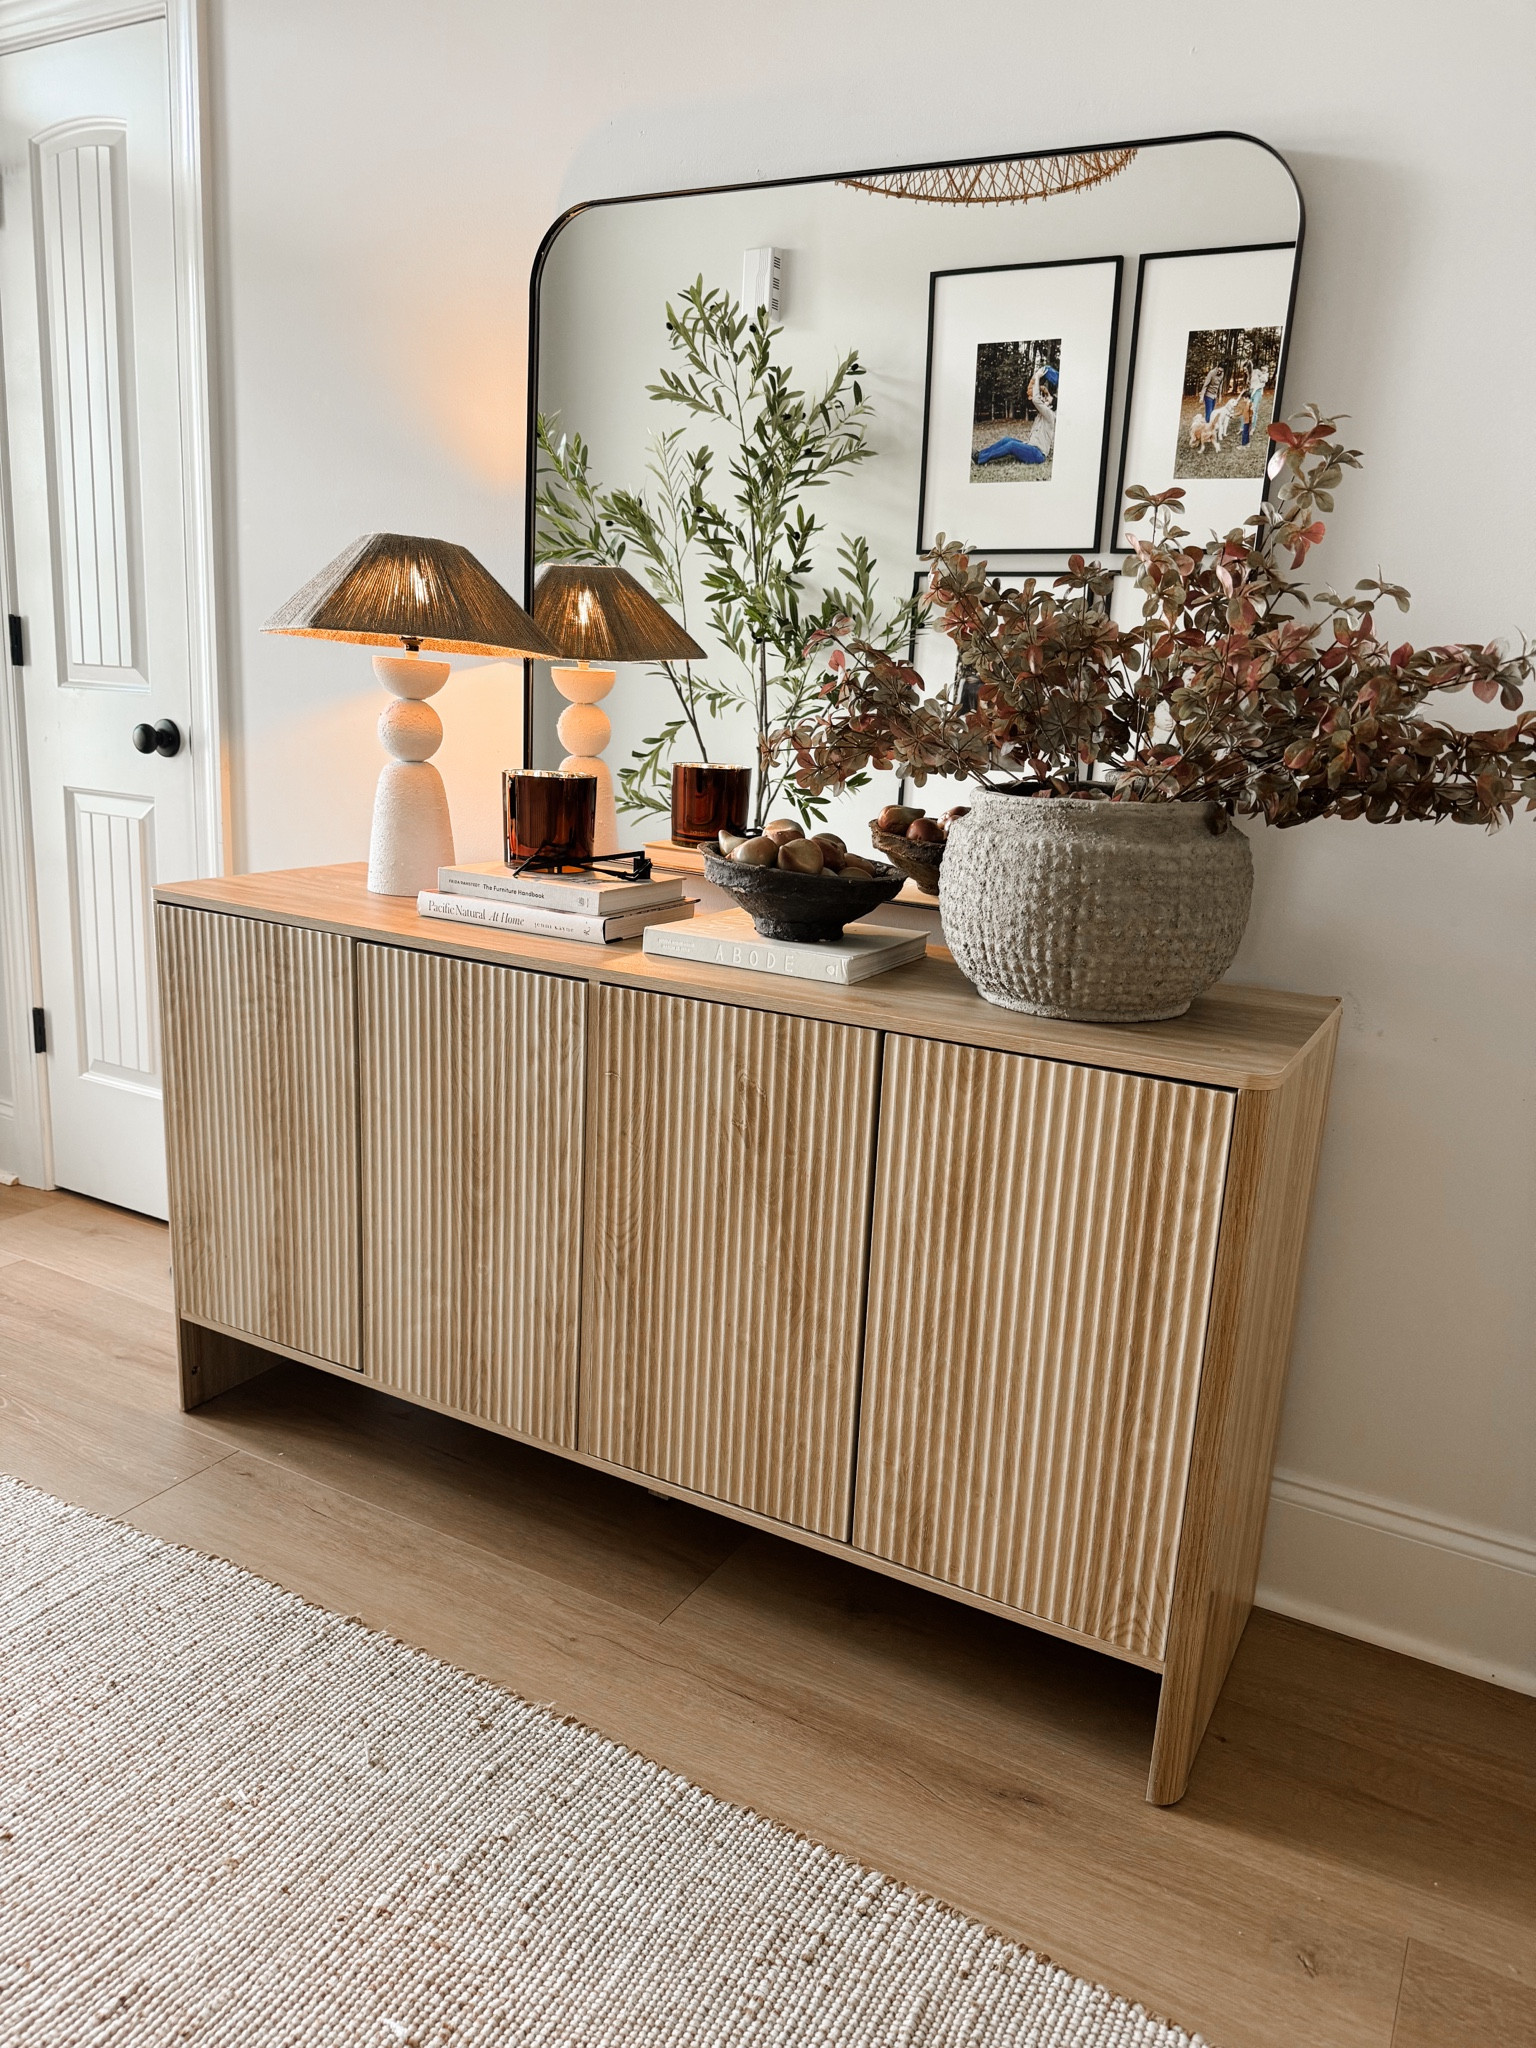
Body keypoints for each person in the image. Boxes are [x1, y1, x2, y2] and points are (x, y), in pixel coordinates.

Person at [974, 362, 1057, 468]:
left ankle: (979, 459)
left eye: (1046, 400)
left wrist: (1037, 377)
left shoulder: (1050, 415)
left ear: (1051, 406)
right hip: (1030, 447)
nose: (1043, 399)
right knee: (1007, 439)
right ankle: (980, 454)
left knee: (1012, 445)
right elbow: (1033, 399)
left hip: (1038, 454)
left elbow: (1036, 399)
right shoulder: (1041, 414)